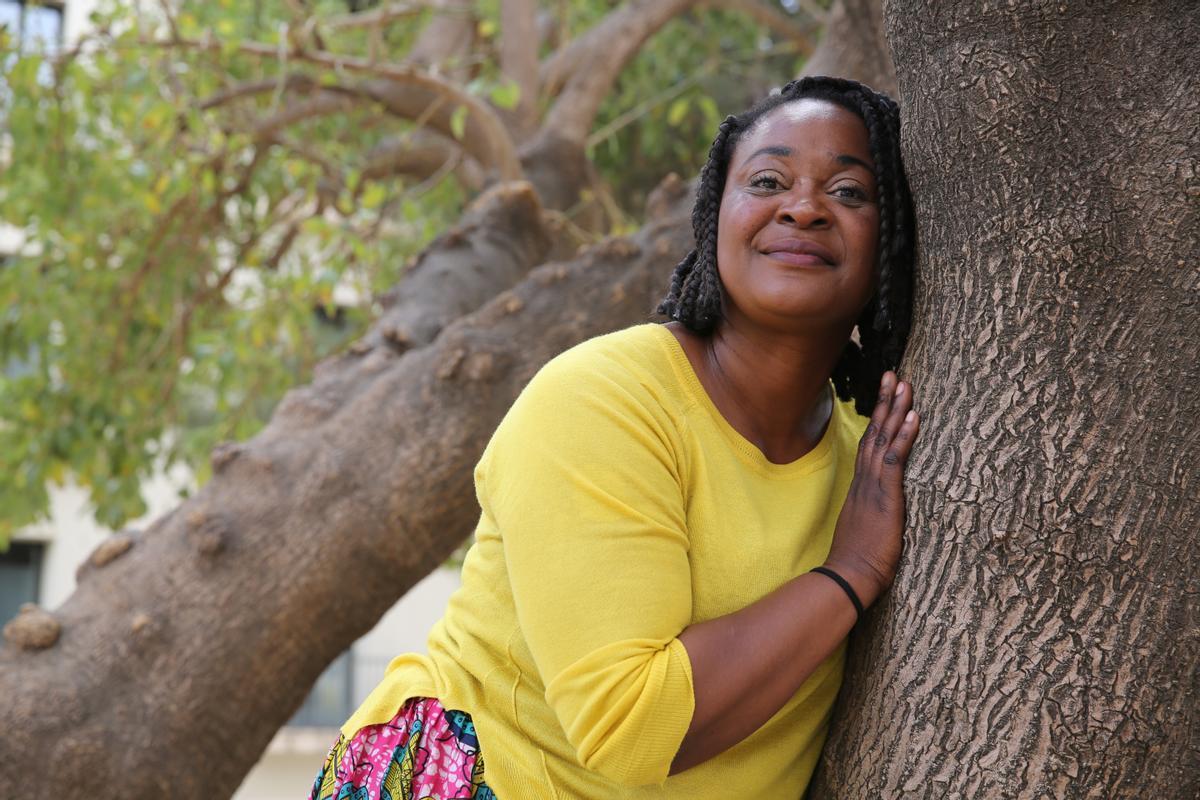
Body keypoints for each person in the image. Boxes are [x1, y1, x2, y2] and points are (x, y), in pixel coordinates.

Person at [308, 75, 918, 800]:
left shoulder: (875, 455)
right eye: (767, 179)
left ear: (896, 244)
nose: (805, 207)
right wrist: (849, 572)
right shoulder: (603, 401)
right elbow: (631, 723)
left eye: (850, 193)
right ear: (713, 217)